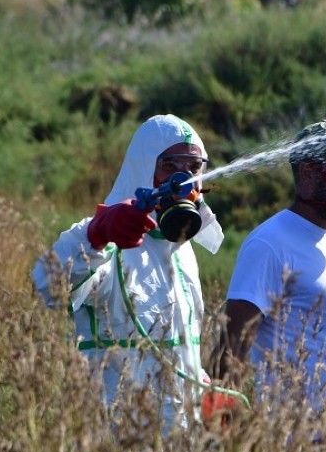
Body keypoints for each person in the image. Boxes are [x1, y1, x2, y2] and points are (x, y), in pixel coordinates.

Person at [32, 114, 227, 434]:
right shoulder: (108, 240)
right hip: (119, 443)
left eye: (193, 169)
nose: (184, 179)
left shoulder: (182, 251)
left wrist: (201, 384)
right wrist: (97, 233)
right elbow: (47, 285)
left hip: (182, 443)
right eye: (171, 166)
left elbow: (175, 346)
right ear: (143, 165)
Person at [211, 120, 326, 450]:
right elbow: (230, 350)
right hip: (300, 448)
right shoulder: (270, 244)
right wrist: (225, 440)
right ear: (308, 174)